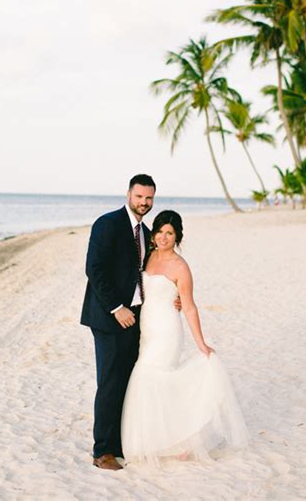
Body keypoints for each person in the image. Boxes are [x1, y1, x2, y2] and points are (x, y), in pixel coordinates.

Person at [121, 210, 249, 466]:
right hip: (147, 328)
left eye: (170, 233)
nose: (164, 237)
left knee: (152, 376)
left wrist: (201, 342)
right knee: (154, 380)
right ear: (154, 234)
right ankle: (169, 439)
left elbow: (189, 306)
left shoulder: (181, 267)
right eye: (160, 231)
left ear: (177, 236)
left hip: (168, 329)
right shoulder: (148, 256)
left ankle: (181, 439)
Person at [81, 174, 161, 471]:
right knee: (110, 384)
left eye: (149, 198)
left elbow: (145, 273)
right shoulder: (108, 224)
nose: (144, 202)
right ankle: (102, 452)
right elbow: (94, 268)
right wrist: (117, 308)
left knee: (127, 382)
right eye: (139, 196)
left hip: (135, 318)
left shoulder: (146, 232)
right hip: (109, 317)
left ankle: (117, 444)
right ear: (129, 194)